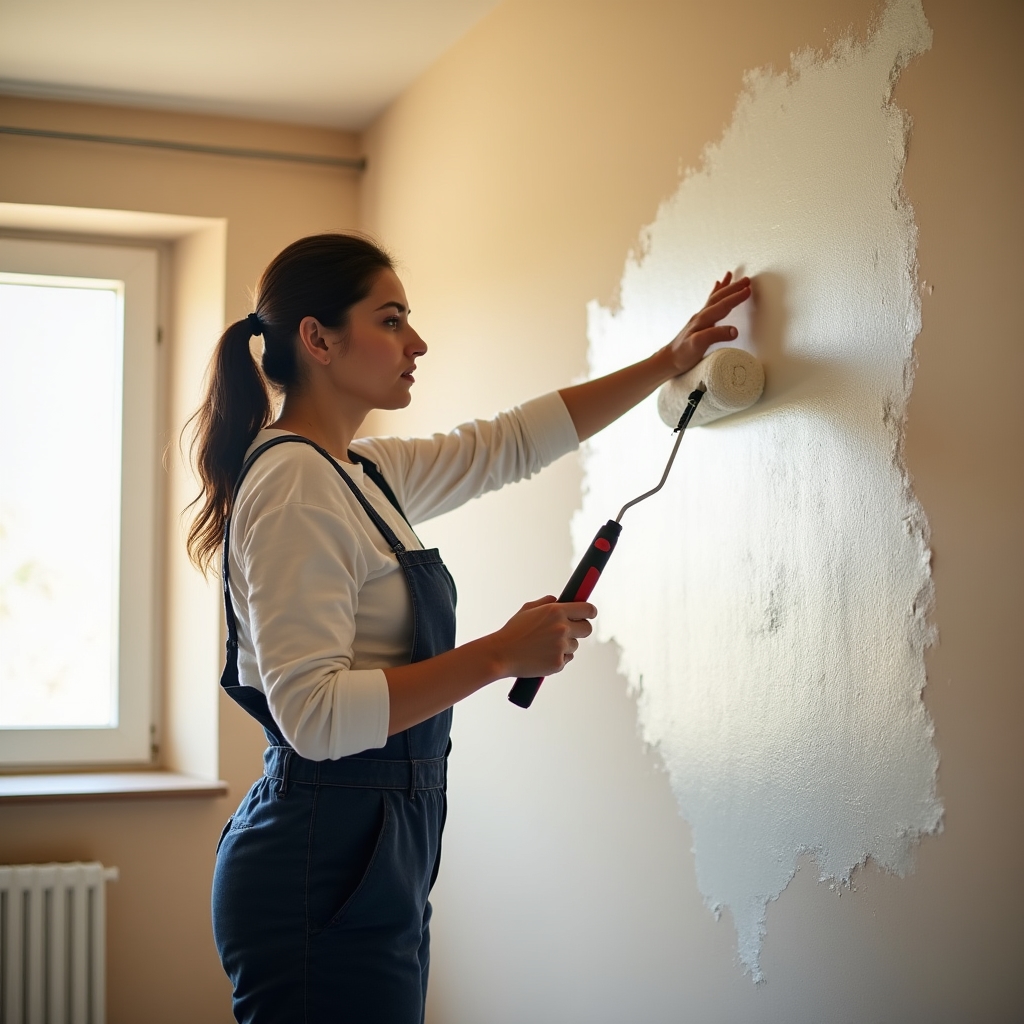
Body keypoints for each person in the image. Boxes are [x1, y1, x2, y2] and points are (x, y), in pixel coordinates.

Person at [186, 233, 750, 1023]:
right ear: (318, 338)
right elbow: (311, 718)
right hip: (321, 859)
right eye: (391, 321)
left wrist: (670, 358)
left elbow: (509, 445)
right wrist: (497, 655)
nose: (416, 342)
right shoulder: (293, 484)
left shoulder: (360, 471)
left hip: (376, 849)